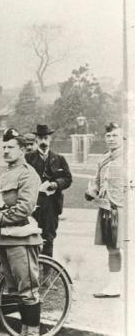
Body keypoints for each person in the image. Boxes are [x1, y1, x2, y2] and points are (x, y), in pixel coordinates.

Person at [0, 128, 42, 336]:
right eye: (4, 147)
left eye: (10, 147)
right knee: (15, 290)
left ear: (22, 150)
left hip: (22, 238)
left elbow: (24, 208)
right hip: (5, 238)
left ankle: (33, 332)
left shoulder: (28, 174)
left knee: (27, 290)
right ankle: (24, 330)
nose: (5, 151)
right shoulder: (6, 175)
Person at [85, 122, 125, 298]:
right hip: (106, 208)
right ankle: (115, 285)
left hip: (125, 209)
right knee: (112, 248)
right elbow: (96, 182)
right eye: (108, 136)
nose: (111, 139)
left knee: (125, 247)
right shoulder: (103, 159)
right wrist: (90, 192)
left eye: (114, 135)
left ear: (122, 137)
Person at [25, 124, 72, 257]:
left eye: (46, 138)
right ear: (36, 140)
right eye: (40, 139)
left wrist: (56, 184)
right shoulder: (28, 158)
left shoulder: (59, 159)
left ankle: (47, 271)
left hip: (51, 205)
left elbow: (68, 178)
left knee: (49, 238)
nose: (43, 142)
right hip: (32, 203)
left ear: (50, 139)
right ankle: (33, 268)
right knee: (30, 235)